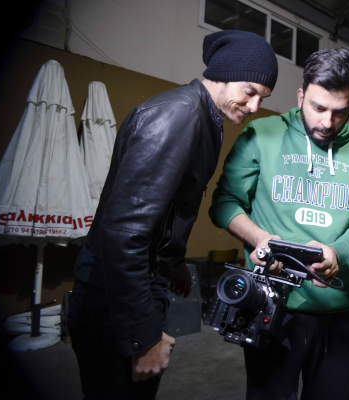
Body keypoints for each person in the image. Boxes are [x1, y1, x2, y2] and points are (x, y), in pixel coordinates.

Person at [67, 30, 278, 399]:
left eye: (263, 98)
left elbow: (168, 207)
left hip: (136, 285)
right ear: (223, 74)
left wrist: (174, 260)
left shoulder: (204, 117)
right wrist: (143, 335)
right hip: (113, 297)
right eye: (249, 91)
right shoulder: (179, 115)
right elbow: (124, 234)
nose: (255, 106)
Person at [209, 48, 349, 399]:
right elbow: (224, 202)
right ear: (301, 96)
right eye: (318, 108)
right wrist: (260, 238)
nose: (327, 122)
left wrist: (339, 253)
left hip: (338, 313)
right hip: (272, 308)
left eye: (340, 112)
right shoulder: (262, 133)